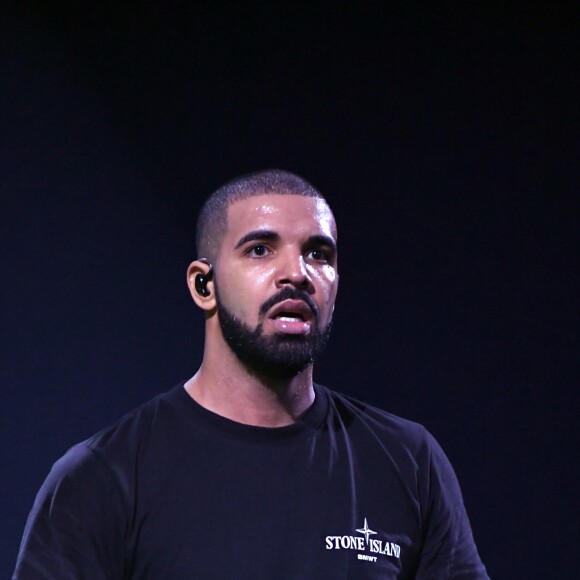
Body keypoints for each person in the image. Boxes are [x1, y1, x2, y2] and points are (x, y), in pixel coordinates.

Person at [13, 170, 489, 579]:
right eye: (260, 249)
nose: (297, 273)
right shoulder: (103, 476)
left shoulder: (408, 461)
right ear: (205, 285)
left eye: (319, 254)